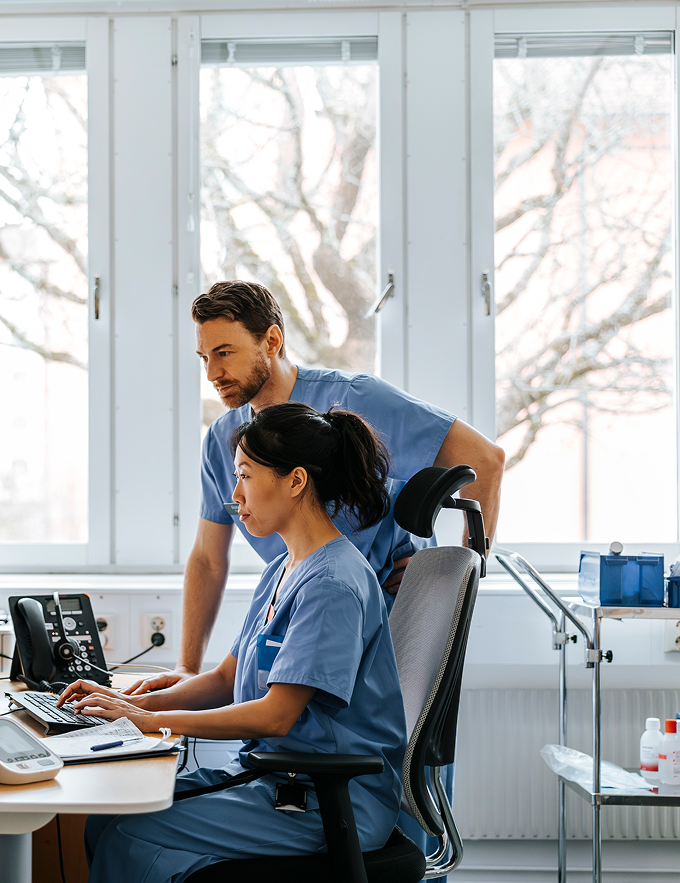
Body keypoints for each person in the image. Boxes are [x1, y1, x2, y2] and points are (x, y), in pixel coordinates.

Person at [59, 403, 407, 883]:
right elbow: (226, 677)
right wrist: (130, 703)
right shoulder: (282, 569)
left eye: (244, 475)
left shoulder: (333, 584)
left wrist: (149, 721)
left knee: (128, 834)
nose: (234, 494)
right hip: (278, 779)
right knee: (104, 820)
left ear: (296, 481)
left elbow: (276, 714)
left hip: (329, 802)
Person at [128, 281, 505, 699]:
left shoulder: (355, 400)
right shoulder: (224, 441)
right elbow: (207, 558)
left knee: (389, 754)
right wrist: (186, 667)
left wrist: (451, 576)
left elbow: (486, 461)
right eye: (204, 357)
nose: (213, 374)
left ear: (271, 340)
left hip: (388, 630)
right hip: (300, 630)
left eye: (224, 353)